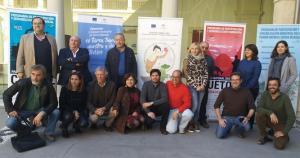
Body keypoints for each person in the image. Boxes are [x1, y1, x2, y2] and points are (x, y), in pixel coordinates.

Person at [4, 65, 60, 141]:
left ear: (43, 76)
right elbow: (6, 94)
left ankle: (48, 132)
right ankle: (25, 130)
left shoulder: (48, 85)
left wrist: (43, 113)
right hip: (23, 110)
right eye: (33, 74)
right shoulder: (22, 83)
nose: (35, 78)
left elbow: (54, 103)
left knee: (56, 112)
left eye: (38, 75)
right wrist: (10, 110)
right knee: (10, 122)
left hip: (40, 109)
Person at [256, 77, 295, 150]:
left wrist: (284, 132)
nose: (271, 87)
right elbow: (258, 108)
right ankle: (264, 136)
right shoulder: (265, 94)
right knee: (259, 114)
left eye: (274, 85)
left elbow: (292, 116)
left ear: (278, 86)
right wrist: (270, 113)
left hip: (280, 123)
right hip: (269, 120)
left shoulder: (284, 98)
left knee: (279, 146)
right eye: (270, 85)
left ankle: (285, 136)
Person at [214, 72, 255, 138]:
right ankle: (228, 127)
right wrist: (220, 119)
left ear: (241, 81)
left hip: (240, 118)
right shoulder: (225, 91)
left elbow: (252, 108)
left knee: (247, 127)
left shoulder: (247, 92)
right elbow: (216, 106)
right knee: (219, 135)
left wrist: (247, 117)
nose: (235, 81)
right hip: (227, 117)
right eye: (233, 80)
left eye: (237, 80)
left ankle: (239, 128)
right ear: (230, 81)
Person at [16, 17, 58, 82]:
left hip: (47, 74)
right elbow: (20, 56)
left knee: (46, 92)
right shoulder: (25, 38)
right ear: (32, 25)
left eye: (39, 23)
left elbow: (55, 55)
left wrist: (56, 71)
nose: (37, 25)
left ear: (43, 25)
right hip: (32, 73)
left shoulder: (52, 39)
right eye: (35, 23)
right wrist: (19, 71)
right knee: (32, 92)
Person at [182, 42, 208, 132]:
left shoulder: (203, 59)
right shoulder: (186, 59)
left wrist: (203, 85)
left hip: (202, 87)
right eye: (192, 48)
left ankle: (195, 122)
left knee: (199, 106)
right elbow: (187, 75)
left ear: (199, 50)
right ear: (190, 49)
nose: (194, 50)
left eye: (196, 48)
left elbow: (205, 73)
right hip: (192, 86)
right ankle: (189, 123)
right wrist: (196, 86)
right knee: (194, 106)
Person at [237, 44, 262, 129]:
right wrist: (238, 85)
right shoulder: (242, 62)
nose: (246, 51)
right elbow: (237, 74)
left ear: (254, 52)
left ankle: (249, 124)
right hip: (241, 88)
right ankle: (240, 122)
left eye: (249, 50)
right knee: (241, 106)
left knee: (250, 106)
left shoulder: (257, 63)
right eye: (246, 49)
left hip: (252, 89)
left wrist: (246, 88)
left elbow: (255, 78)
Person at [59, 72, 89, 138]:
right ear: (69, 80)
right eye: (72, 79)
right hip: (66, 110)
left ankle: (76, 125)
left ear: (80, 81)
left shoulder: (84, 91)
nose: (73, 81)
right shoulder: (64, 89)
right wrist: (73, 111)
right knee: (69, 116)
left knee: (84, 123)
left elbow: (84, 105)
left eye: (76, 79)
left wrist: (78, 112)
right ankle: (64, 126)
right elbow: (62, 104)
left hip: (79, 110)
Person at [140, 69, 169, 135]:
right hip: (148, 108)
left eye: (156, 75)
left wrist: (151, 103)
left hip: (157, 107)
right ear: (150, 77)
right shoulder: (146, 84)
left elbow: (164, 99)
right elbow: (142, 100)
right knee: (149, 122)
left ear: (159, 76)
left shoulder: (163, 85)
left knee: (166, 105)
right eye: (153, 75)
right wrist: (148, 112)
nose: (154, 77)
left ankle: (162, 127)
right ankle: (146, 123)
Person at [199, 41, 215, 128]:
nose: (204, 49)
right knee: (193, 104)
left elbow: (211, 72)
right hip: (193, 86)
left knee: (203, 103)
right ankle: (192, 122)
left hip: (205, 85)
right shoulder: (193, 57)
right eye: (202, 47)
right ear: (199, 47)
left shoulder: (210, 59)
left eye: (206, 48)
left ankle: (202, 120)